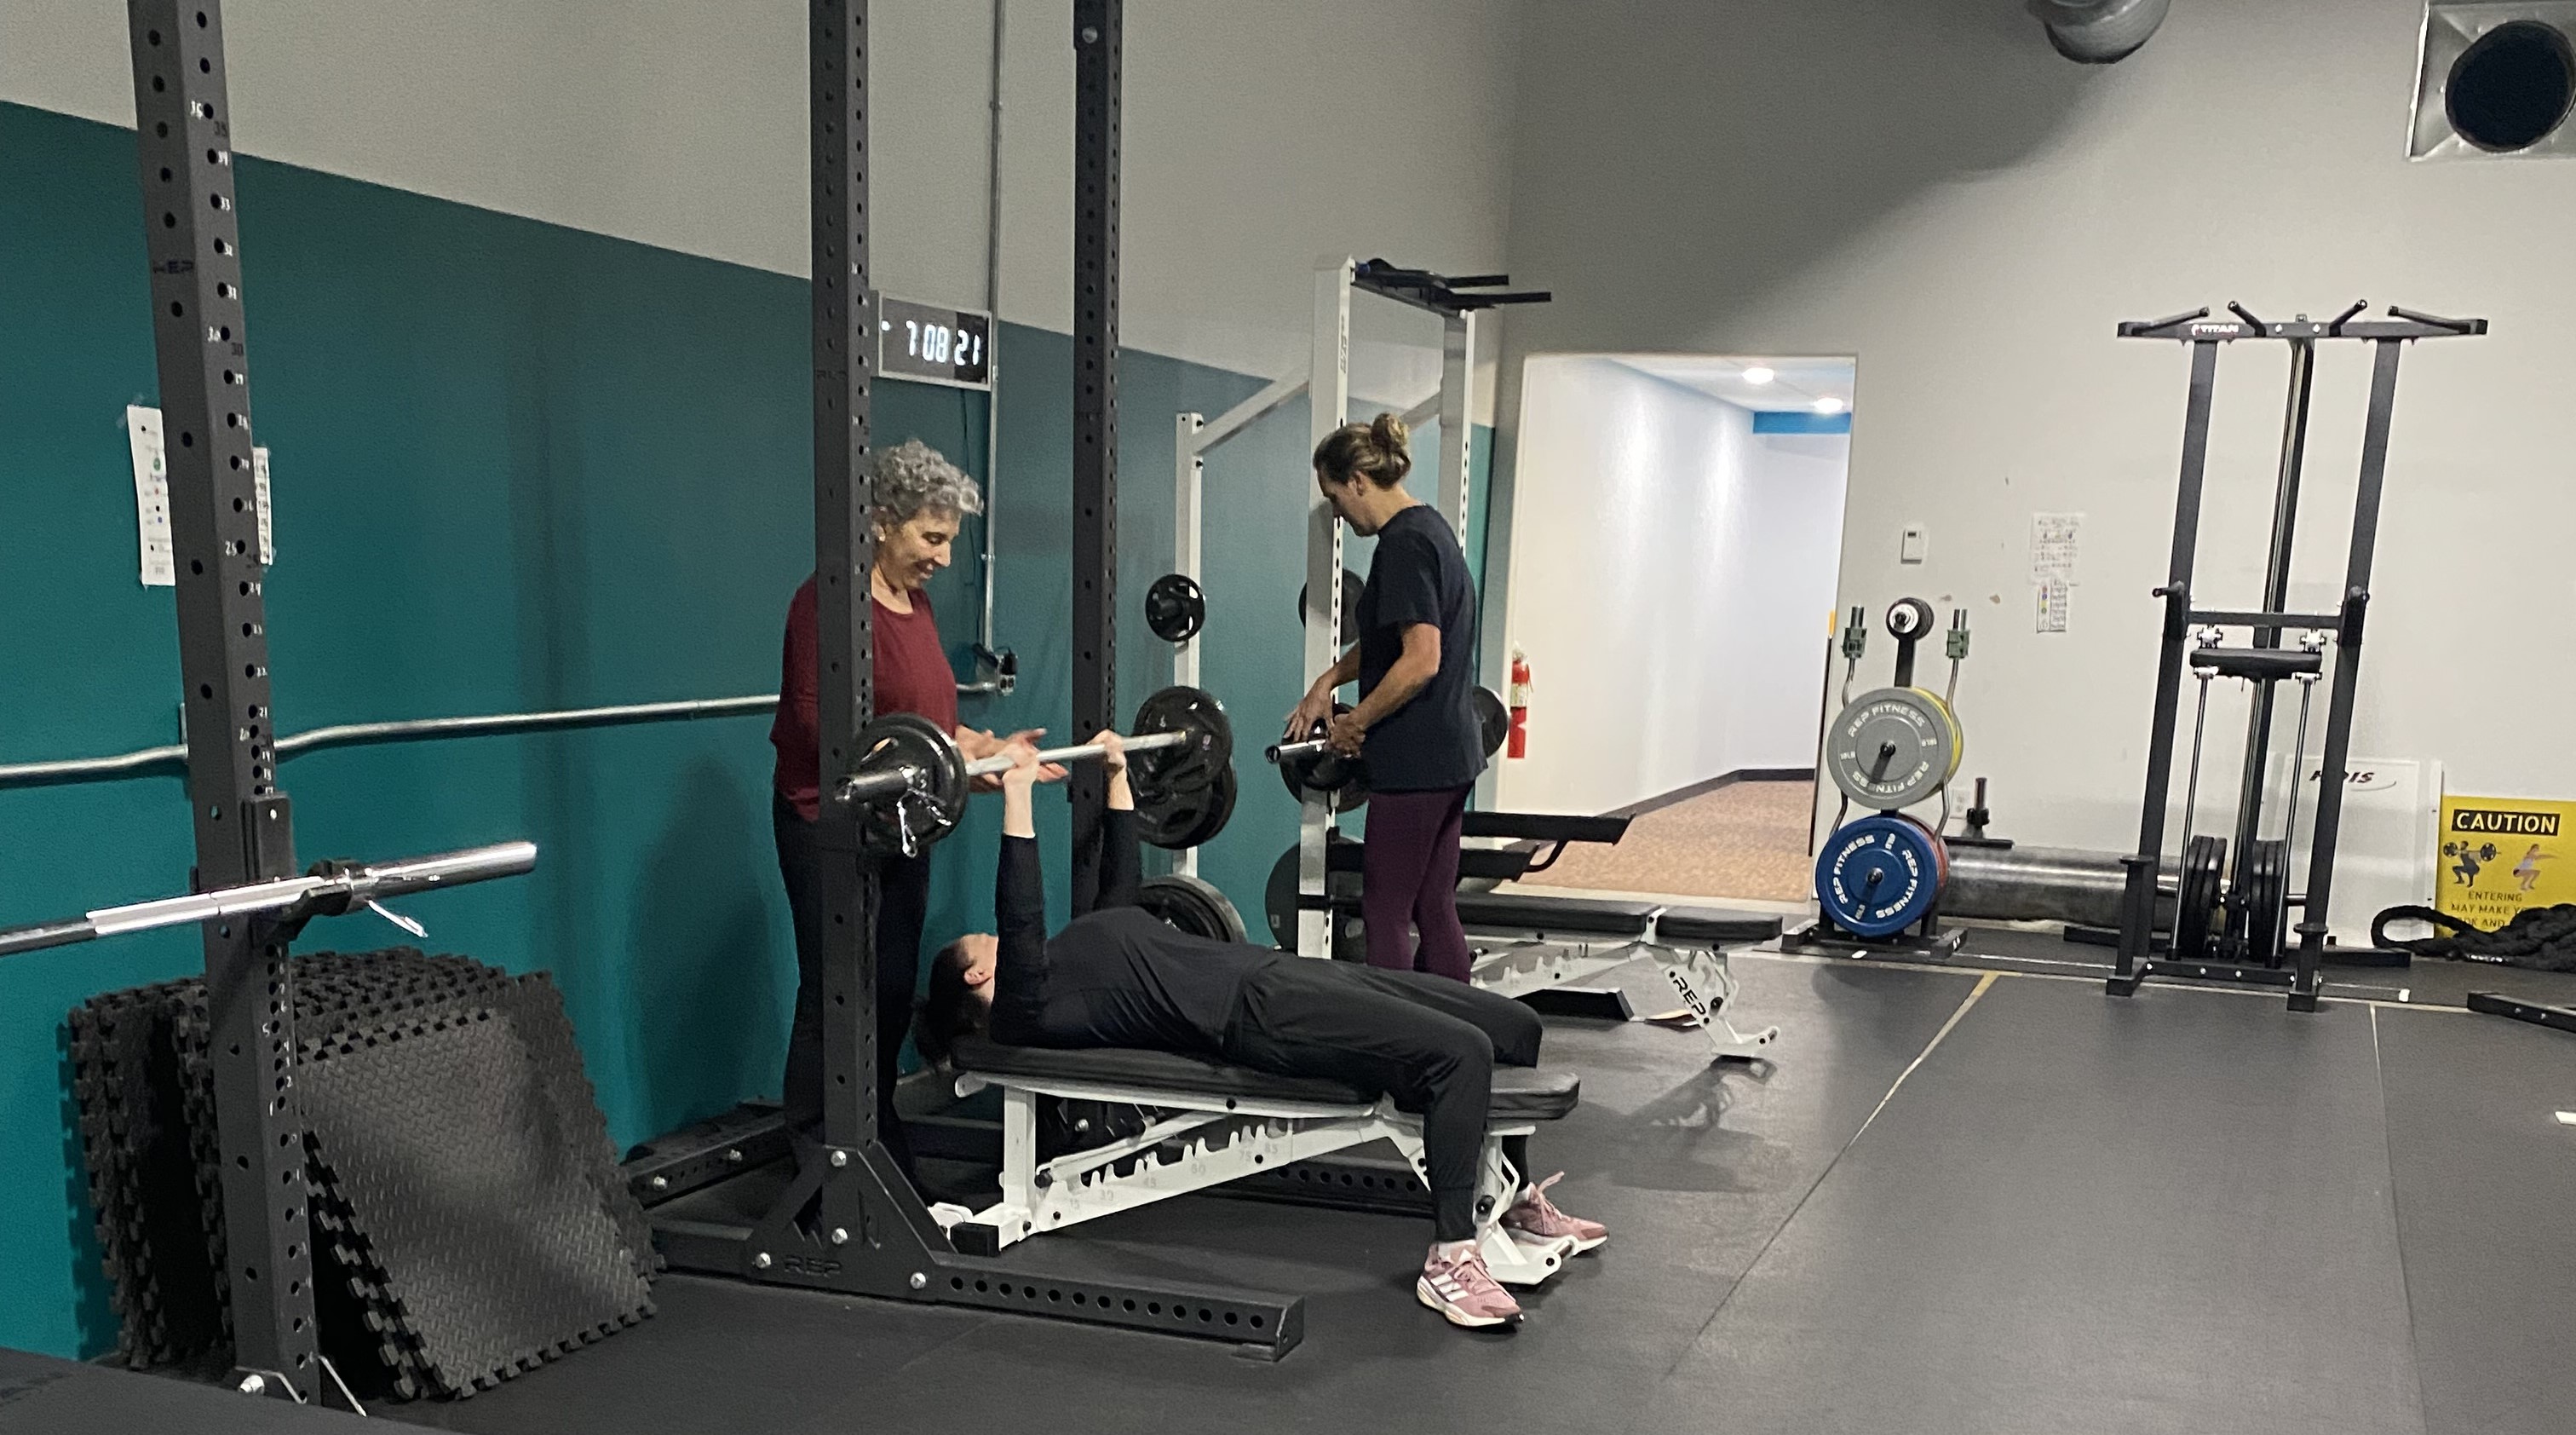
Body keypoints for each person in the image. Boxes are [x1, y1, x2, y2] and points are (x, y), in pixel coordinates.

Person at [912, 741, 1606, 1330]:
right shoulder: (1028, 1009)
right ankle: (1451, 1258)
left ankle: (1509, 1201)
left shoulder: (1073, 952)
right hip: (1256, 1017)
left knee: (1516, 1024)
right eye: (986, 940)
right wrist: (1017, 796)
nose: (999, 934)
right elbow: (1022, 911)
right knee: (1462, 1053)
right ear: (977, 974)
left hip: (1279, 975)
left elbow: (1117, 892)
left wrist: (1118, 775)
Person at [770, 438, 1061, 1173]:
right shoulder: (829, 603)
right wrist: (953, 759)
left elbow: (923, 721)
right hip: (829, 825)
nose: (942, 557)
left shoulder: (916, 604)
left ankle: (871, 1137)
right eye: (931, 538)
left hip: (903, 826)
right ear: (878, 522)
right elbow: (821, 728)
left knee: (891, 992)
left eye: (950, 541)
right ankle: (820, 1159)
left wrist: (983, 750)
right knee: (838, 989)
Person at [1286, 414, 1486, 981]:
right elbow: (1387, 641)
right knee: (1433, 903)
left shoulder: (1402, 546)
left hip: (1416, 763)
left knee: (1386, 909)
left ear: (1356, 480)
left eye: (1334, 498)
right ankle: (1454, 1037)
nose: (1339, 517)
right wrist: (1329, 681)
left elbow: (1422, 659)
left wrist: (1356, 723)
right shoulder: (1431, 529)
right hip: (1451, 756)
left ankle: (1396, 1043)